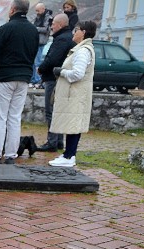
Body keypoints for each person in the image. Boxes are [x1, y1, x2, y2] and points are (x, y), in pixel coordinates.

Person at [0, 0, 38, 164]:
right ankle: (11, 155)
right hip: (23, 77)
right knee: (14, 117)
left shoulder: (4, 29)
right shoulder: (33, 30)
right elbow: (33, 54)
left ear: (12, 10)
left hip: (4, 77)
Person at [49, 21, 96, 168]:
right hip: (74, 94)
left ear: (83, 32)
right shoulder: (81, 49)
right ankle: (67, 154)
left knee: (74, 125)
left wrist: (60, 72)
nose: (74, 33)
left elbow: (77, 74)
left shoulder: (83, 51)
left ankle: (70, 156)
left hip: (75, 95)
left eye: (76, 30)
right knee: (71, 125)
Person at [36, 13, 73, 152]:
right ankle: (58, 141)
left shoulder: (62, 39)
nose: (52, 26)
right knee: (58, 111)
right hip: (59, 78)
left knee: (51, 112)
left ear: (61, 24)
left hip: (53, 78)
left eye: (54, 24)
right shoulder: (67, 37)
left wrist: (41, 68)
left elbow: (53, 59)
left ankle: (52, 142)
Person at [30, 3, 52, 87]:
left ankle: (37, 80)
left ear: (43, 9)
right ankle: (33, 80)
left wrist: (35, 28)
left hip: (41, 42)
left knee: (37, 62)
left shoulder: (48, 18)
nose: (36, 12)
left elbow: (46, 29)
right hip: (35, 42)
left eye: (38, 10)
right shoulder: (38, 16)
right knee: (33, 62)